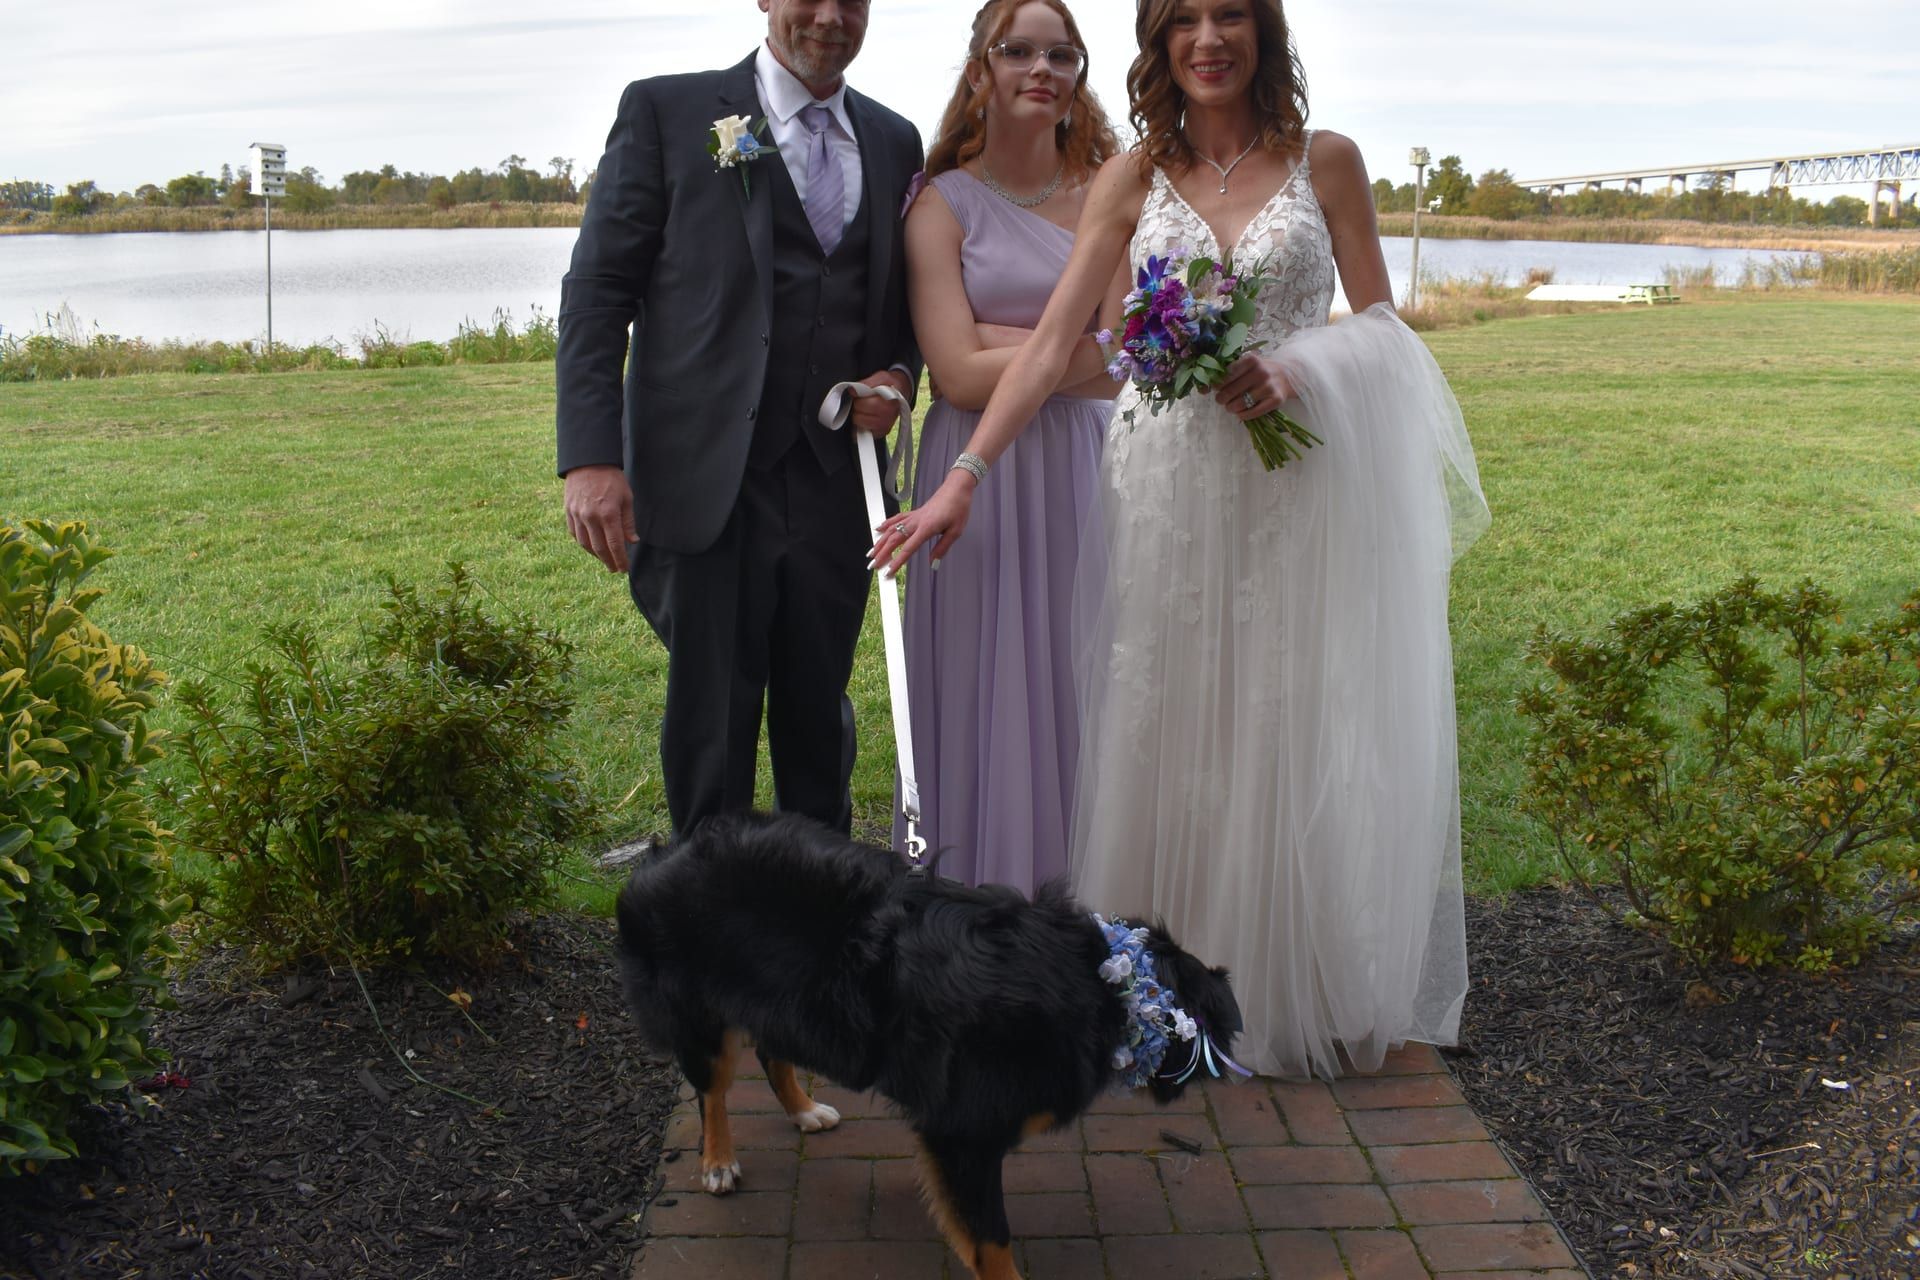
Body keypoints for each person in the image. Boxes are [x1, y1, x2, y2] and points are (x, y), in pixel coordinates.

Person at [872, 0, 1490, 1079]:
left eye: (1231, 16)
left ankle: (1284, 979)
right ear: (1158, 44)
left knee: (1282, 709)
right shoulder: (1132, 175)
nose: (1210, 38)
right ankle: (1162, 988)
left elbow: (1386, 332)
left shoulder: (1328, 162)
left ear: (1265, 35)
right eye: (1185, 20)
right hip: (1162, 486)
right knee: (1161, 709)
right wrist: (964, 476)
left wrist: (1303, 365)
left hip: (1290, 479)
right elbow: (1060, 336)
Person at [556, 0, 923, 838]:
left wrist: (897, 376)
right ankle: (704, 940)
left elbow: (901, 309)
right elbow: (597, 294)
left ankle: (819, 929)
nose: (831, 16)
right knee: (711, 729)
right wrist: (589, 457)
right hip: (703, 478)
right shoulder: (670, 112)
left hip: (834, 488)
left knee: (819, 723)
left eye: (853, 0)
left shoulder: (896, 139)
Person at [896, 0, 1125, 891]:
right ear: (980, 71)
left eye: (1062, 54)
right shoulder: (940, 203)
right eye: (1019, 51)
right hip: (976, 475)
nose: (1043, 68)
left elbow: (1122, 359)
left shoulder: (1111, 191)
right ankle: (975, 905)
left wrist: (1007, 341)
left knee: (1082, 675)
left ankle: (1091, 905)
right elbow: (951, 375)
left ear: (1078, 77)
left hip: (1082, 464)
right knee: (982, 685)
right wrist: (1066, 349)